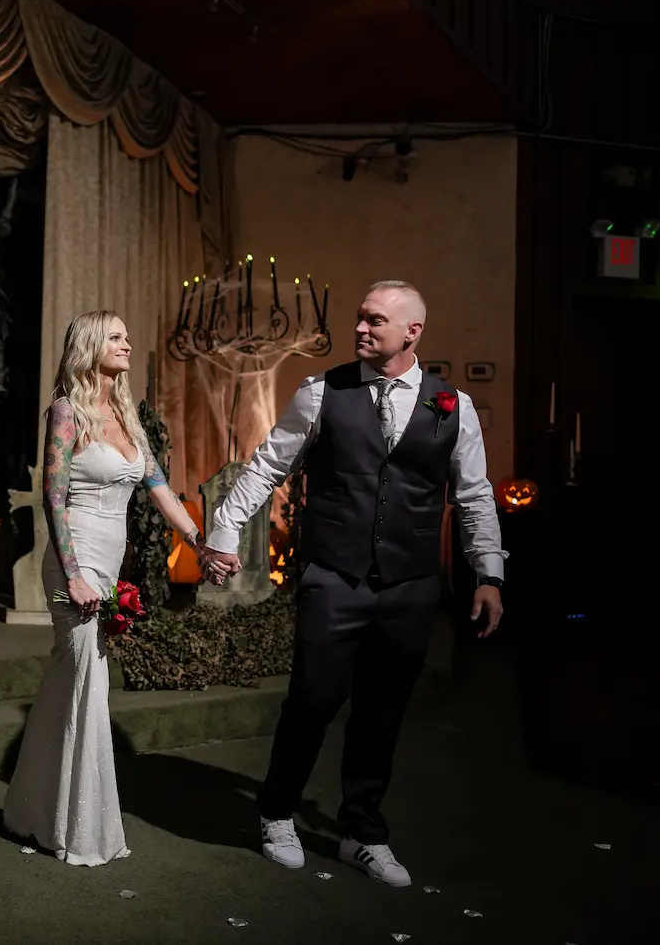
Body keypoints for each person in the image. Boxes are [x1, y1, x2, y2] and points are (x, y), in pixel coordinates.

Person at [201, 280, 505, 888]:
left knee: (381, 712)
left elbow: (473, 496)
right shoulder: (321, 392)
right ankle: (278, 813)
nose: (361, 329)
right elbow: (267, 465)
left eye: (374, 320)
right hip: (333, 576)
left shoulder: (454, 407)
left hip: (409, 584)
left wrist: (489, 573)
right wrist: (224, 532)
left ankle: (362, 833)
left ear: (412, 332)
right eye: (359, 319)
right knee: (312, 701)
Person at [3, 309, 215, 865]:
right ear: (92, 345)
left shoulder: (127, 417)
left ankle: (34, 811)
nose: (127, 343)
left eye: (127, 334)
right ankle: (82, 830)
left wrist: (199, 542)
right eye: (117, 336)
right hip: (66, 571)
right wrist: (71, 575)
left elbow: (161, 489)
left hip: (107, 564)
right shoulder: (66, 413)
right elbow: (53, 499)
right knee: (87, 675)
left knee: (68, 675)